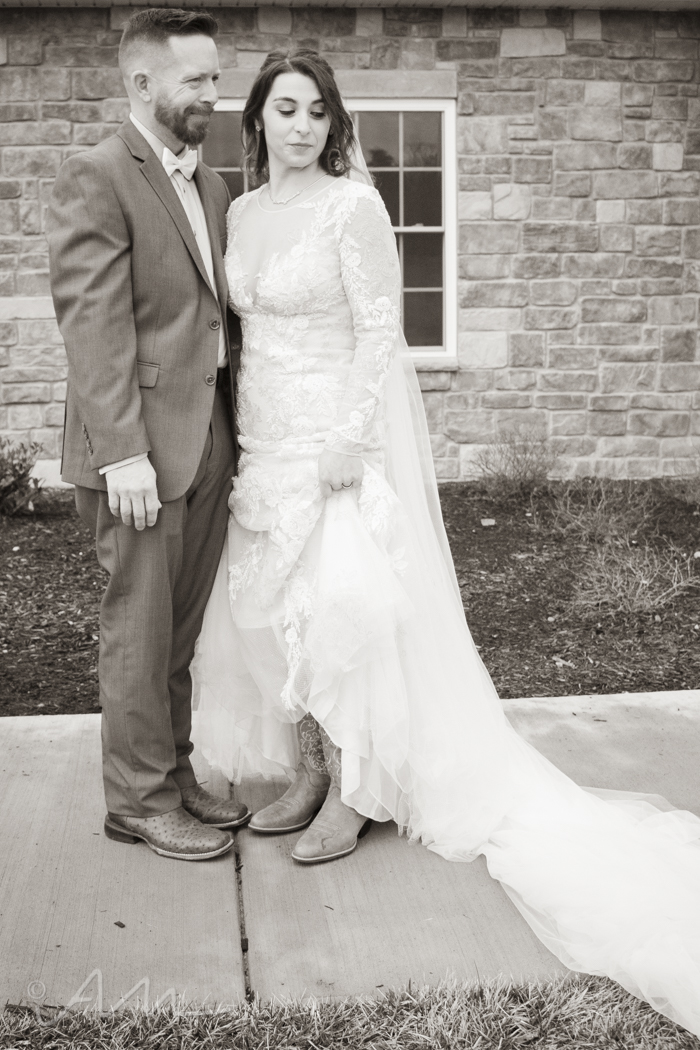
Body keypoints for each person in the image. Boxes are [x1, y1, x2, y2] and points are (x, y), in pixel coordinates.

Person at [192, 45, 700, 1035]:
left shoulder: (353, 206)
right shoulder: (242, 214)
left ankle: (357, 791)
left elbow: (378, 331)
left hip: (331, 444)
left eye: (315, 111)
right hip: (265, 436)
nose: (300, 126)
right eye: (283, 109)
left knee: (343, 607)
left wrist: (349, 438)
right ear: (254, 120)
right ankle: (310, 770)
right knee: (279, 613)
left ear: (332, 123)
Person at [47, 8, 251, 862]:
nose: (213, 93)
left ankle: (171, 774)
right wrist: (123, 452)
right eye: (195, 79)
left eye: (216, 76)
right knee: (138, 630)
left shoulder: (213, 186)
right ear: (142, 83)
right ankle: (136, 802)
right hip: (135, 451)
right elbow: (92, 326)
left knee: (179, 629)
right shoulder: (97, 174)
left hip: (209, 437)